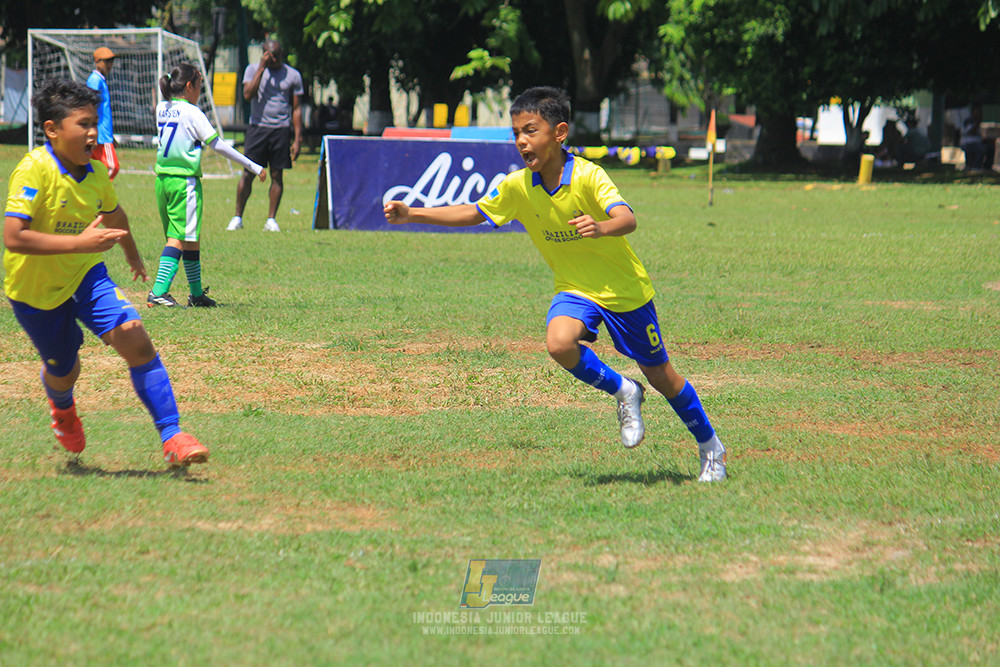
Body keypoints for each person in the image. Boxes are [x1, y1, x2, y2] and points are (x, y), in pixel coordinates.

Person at [383, 87, 727, 482]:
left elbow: (627, 218)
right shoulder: (518, 186)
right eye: (515, 133)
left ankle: (710, 447)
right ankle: (622, 390)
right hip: (575, 289)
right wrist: (413, 213)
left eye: (530, 130)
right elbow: (474, 212)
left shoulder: (587, 176)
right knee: (559, 343)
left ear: (559, 132)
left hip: (625, 292)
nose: (521, 141)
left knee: (662, 377)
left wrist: (601, 227)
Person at [3, 79, 208, 468]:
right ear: (52, 129)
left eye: (94, 122)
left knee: (137, 340)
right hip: (35, 292)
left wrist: (132, 256)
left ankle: (173, 435)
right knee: (66, 369)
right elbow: (14, 238)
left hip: (85, 277)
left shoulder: (96, 174)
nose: (93, 132)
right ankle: (62, 406)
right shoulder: (34, 170)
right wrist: (80, 243)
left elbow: (117, 218)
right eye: (82, 124)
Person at [147, 63, 266, 308]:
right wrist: (253, 166)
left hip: (163, 182)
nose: (201, 91)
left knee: (190, 237)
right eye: (200, 85)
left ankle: (196, 294)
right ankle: (158, 291)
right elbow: (218, 145)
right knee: (178, 237)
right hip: (184, 183)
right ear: (189, 86)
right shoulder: (193, 112)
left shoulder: (162, 107)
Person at [227, 40, 303, 233]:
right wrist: (262, 67)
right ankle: (237, 218)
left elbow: (296, 108)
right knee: (248, 172)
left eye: (278, 55)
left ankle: (271, 220)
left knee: (277, 175)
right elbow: (247, 94)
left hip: (280, 130)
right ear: (263, 54)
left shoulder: (293, 75)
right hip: (257, 128)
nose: (275, 59)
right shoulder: (252, 69)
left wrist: (298, 138)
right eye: (271, 55)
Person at [85, 46, 119, 179]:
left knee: (94, 168)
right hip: (101, 135)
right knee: (112, 167)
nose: (110, 65)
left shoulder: (100, 80)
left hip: (103, 134)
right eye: (107, 61)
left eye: (111, 61)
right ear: (98, 62)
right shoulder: (95, 80)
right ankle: (100, 190)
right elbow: (89, 104)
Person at [960, 103, 995, 171]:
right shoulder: (968, 121)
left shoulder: (977, 121)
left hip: (977, 142)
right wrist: (977, 123)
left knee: (990, 146)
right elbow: (971, 132)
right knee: (981, 148)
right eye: (977, 111)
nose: (979, 113)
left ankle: (987, 167)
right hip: (968, 143)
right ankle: (976, 166)